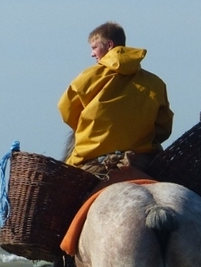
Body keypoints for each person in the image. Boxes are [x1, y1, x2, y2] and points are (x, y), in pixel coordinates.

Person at [58, 21, 174, 176]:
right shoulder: (156, 83)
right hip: (142, 161)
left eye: (94, 47)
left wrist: (90, 129)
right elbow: (164, 128)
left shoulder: (88, 77)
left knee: (62, 195)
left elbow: (66, 111)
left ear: (109, 45)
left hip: (94, 161)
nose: (92, 54)